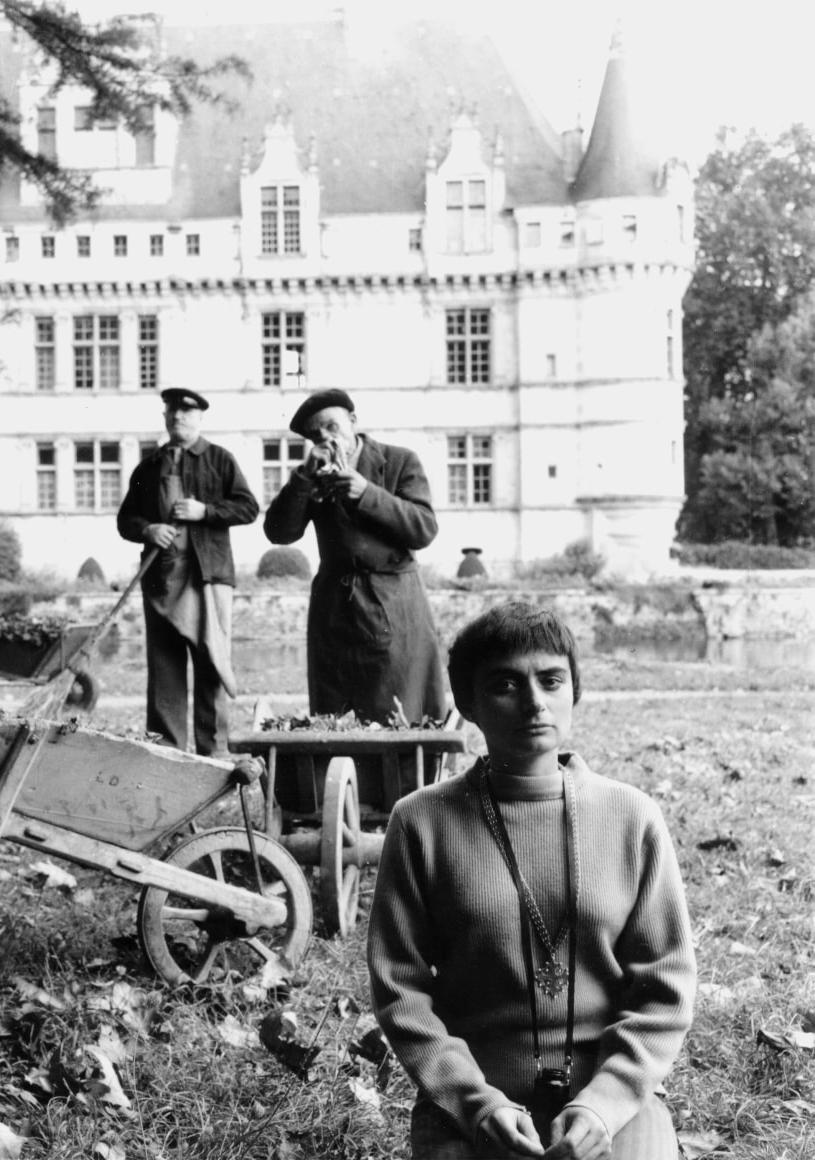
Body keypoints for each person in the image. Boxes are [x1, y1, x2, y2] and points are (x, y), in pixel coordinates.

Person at [368, 602, 696, 1160]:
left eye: (551, 680)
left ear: (575, 691)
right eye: (505, 685)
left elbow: (664, 989)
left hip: (607, 1096)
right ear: (467, 703)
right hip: (471, 1098)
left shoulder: (631, 815)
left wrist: (605, 1102)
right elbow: (400, 988)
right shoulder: (420, 821)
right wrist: (477, 1104)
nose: (534, 702)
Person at [263, 389, 447, 725]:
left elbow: (424, 529)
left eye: (332, 427)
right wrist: (303, 478)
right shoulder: (313, 475)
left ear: (353, 422)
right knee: (336, 716)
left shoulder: (399, 461)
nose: (327, 438)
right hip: (334, 609)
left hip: (394, 606)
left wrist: (367, 493)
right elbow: (279, 533)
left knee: (399, 713)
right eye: (316, 434)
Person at [117, 388, 258, 757]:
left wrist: (205, 512)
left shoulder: (219, 460)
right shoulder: (148, 467)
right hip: (160, 580)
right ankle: (167, 753)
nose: (177, 417)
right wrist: (147, 529)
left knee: (211, 660)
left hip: (207, 577)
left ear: (199, 418)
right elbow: (126, 519)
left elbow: (247, 508)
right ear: (165, 418)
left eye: (185, 412)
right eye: (171, 412)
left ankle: (214, 752)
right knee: (164, 667)